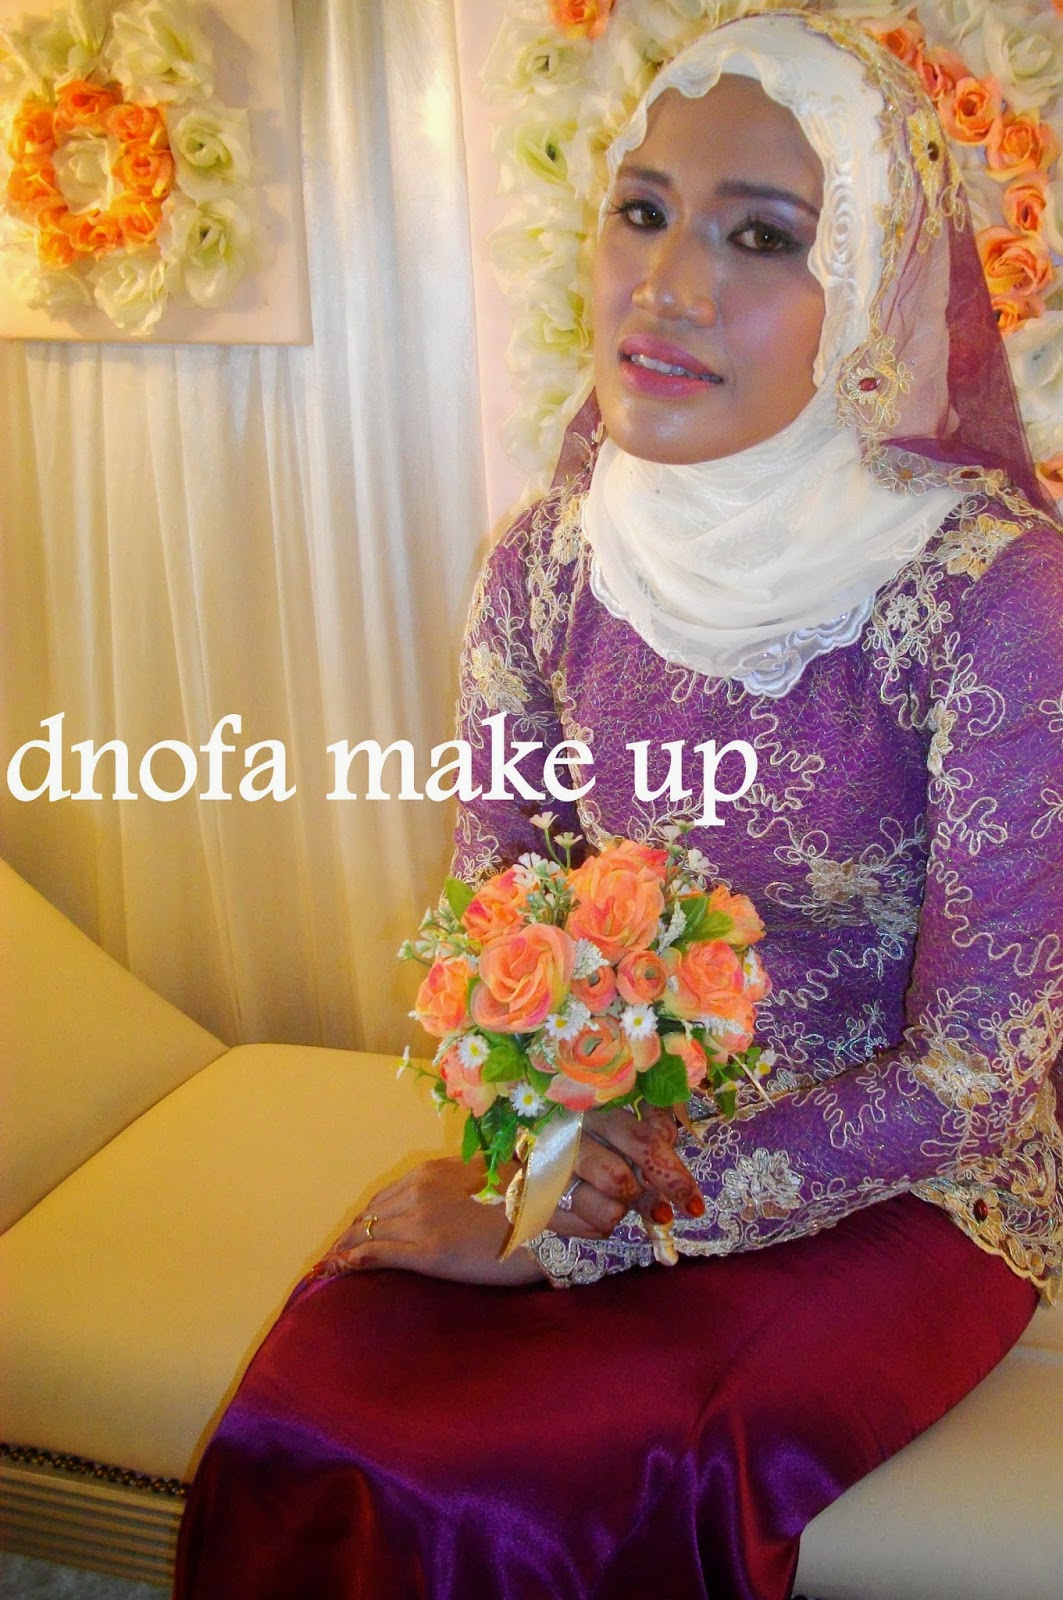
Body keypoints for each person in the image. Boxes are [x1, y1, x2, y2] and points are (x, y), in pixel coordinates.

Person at [174, 12, 1062, 1599]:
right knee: (319, 1407)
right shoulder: (549, 559)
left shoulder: (997, 598)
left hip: (904, 1192)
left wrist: (580, 1231)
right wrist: (536, 1163)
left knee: (551, 1478)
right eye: (642, 210)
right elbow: (495, 914)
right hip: (591, 1143)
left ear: (871, 283)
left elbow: (982, 1074)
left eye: (761, 237)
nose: (667, 284)